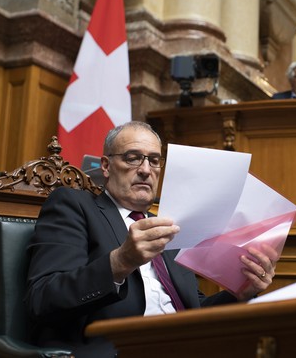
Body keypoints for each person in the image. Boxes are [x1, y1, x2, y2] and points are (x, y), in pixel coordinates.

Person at [25, 121, 278, 357]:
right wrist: (120, 262)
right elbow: (43, 298)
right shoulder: (74, 206)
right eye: (132, 158)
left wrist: (240, 293)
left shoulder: (168, 223)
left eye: (154, 161)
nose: (146, 170)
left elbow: (194, 309)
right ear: (106, 166)